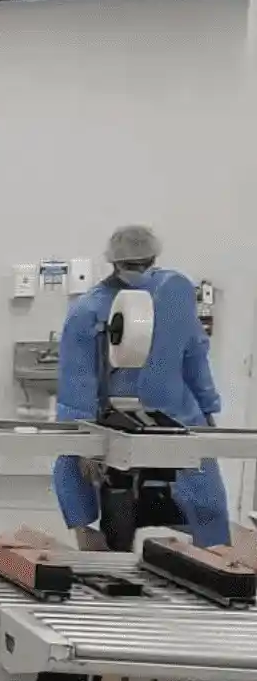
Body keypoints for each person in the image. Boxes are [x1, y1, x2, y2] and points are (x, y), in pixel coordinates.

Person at [52, 225, 228, 550]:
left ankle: (216, 568)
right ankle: (100, 554)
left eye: (145, 262)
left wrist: (208, 409)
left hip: (179, 417)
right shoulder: (88, 312)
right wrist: (82, 441)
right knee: (110, 513)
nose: (140, 270)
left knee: (207, 507)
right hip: (115, 423)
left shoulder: (175, 295)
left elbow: (195, 354)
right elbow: (77, 382)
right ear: (114, 264)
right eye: (132, 265)